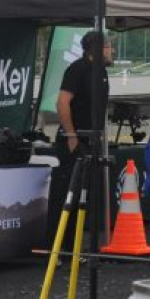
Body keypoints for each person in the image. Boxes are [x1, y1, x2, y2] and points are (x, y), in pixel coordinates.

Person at [48, 31, 113, 228]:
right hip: (75, 140)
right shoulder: (77, 69)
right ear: (97, 49)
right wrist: (71, 135)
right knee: (67, 195)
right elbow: (62, 102)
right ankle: (58, 250)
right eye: (109, 47)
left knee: (83, 197)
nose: (112, 51)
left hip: (92, 141)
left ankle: (76, 250)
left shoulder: (101, 72)